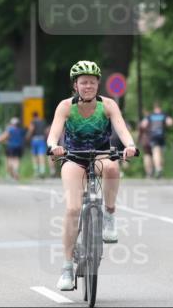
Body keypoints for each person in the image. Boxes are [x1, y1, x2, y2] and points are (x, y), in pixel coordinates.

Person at [46, 61, 137, 291]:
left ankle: (109, 215)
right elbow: (53, 133)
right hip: (73, 158)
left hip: (100, 156)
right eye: (83, 82)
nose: (88, 86)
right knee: (73, 209)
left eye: (92, 82)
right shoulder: (66, 106)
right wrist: (54, 146)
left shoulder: (107, 105)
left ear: (98, 84)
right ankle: (67, 268)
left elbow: (122, 129)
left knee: (113, 168)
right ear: (75, 85)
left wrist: (130, 145)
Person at [140, 102, 173, 178]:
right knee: (160, 154)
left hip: (153, 136)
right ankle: (159, 169)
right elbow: (170, 122)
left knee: (155, 152)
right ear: (160, 108)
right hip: (161, 136)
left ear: (154, 108)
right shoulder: (163, 115)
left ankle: (157, 170)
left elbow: (143, 124)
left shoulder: (150, 116)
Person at [26, 111, 50, 178]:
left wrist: (27, 137)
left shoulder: (33, 121)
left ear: (33, 116)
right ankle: (42, 171)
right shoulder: (43, 121)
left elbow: (31, 129)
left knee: (34, 155)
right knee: (41, 155)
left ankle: (36, 171)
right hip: (42, 139)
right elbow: (47, 131)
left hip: (35, 140)